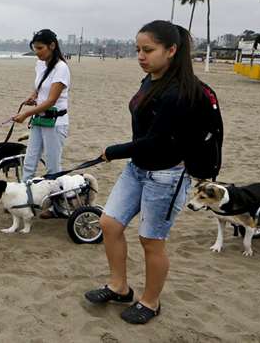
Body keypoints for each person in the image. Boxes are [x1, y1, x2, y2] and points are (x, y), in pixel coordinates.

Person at [84, 20, 202, 324]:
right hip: (138, 168)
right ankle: (119, 286)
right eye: (138, 49)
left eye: (148, 50)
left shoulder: (179, 92)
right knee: (109, 224)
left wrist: (113, 151)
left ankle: (150, 302)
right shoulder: (151, 79)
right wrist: (124, 154)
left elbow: (157, 141)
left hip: (166, 176)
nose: (140, 55)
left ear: (172, 50)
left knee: (151, 240)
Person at [12, 29, 70, 218]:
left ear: (52, 46)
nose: (37, 52)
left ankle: (57, 207)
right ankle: (21, 200)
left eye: (40, 48)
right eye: (34, 48)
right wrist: (32, 97)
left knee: (53, 166)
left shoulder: (61, 67)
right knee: (29, 161)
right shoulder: (40, 64)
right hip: (39, 119)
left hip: (55, 121)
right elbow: (39, 90)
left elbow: (52, 100)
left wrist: (26, 113)